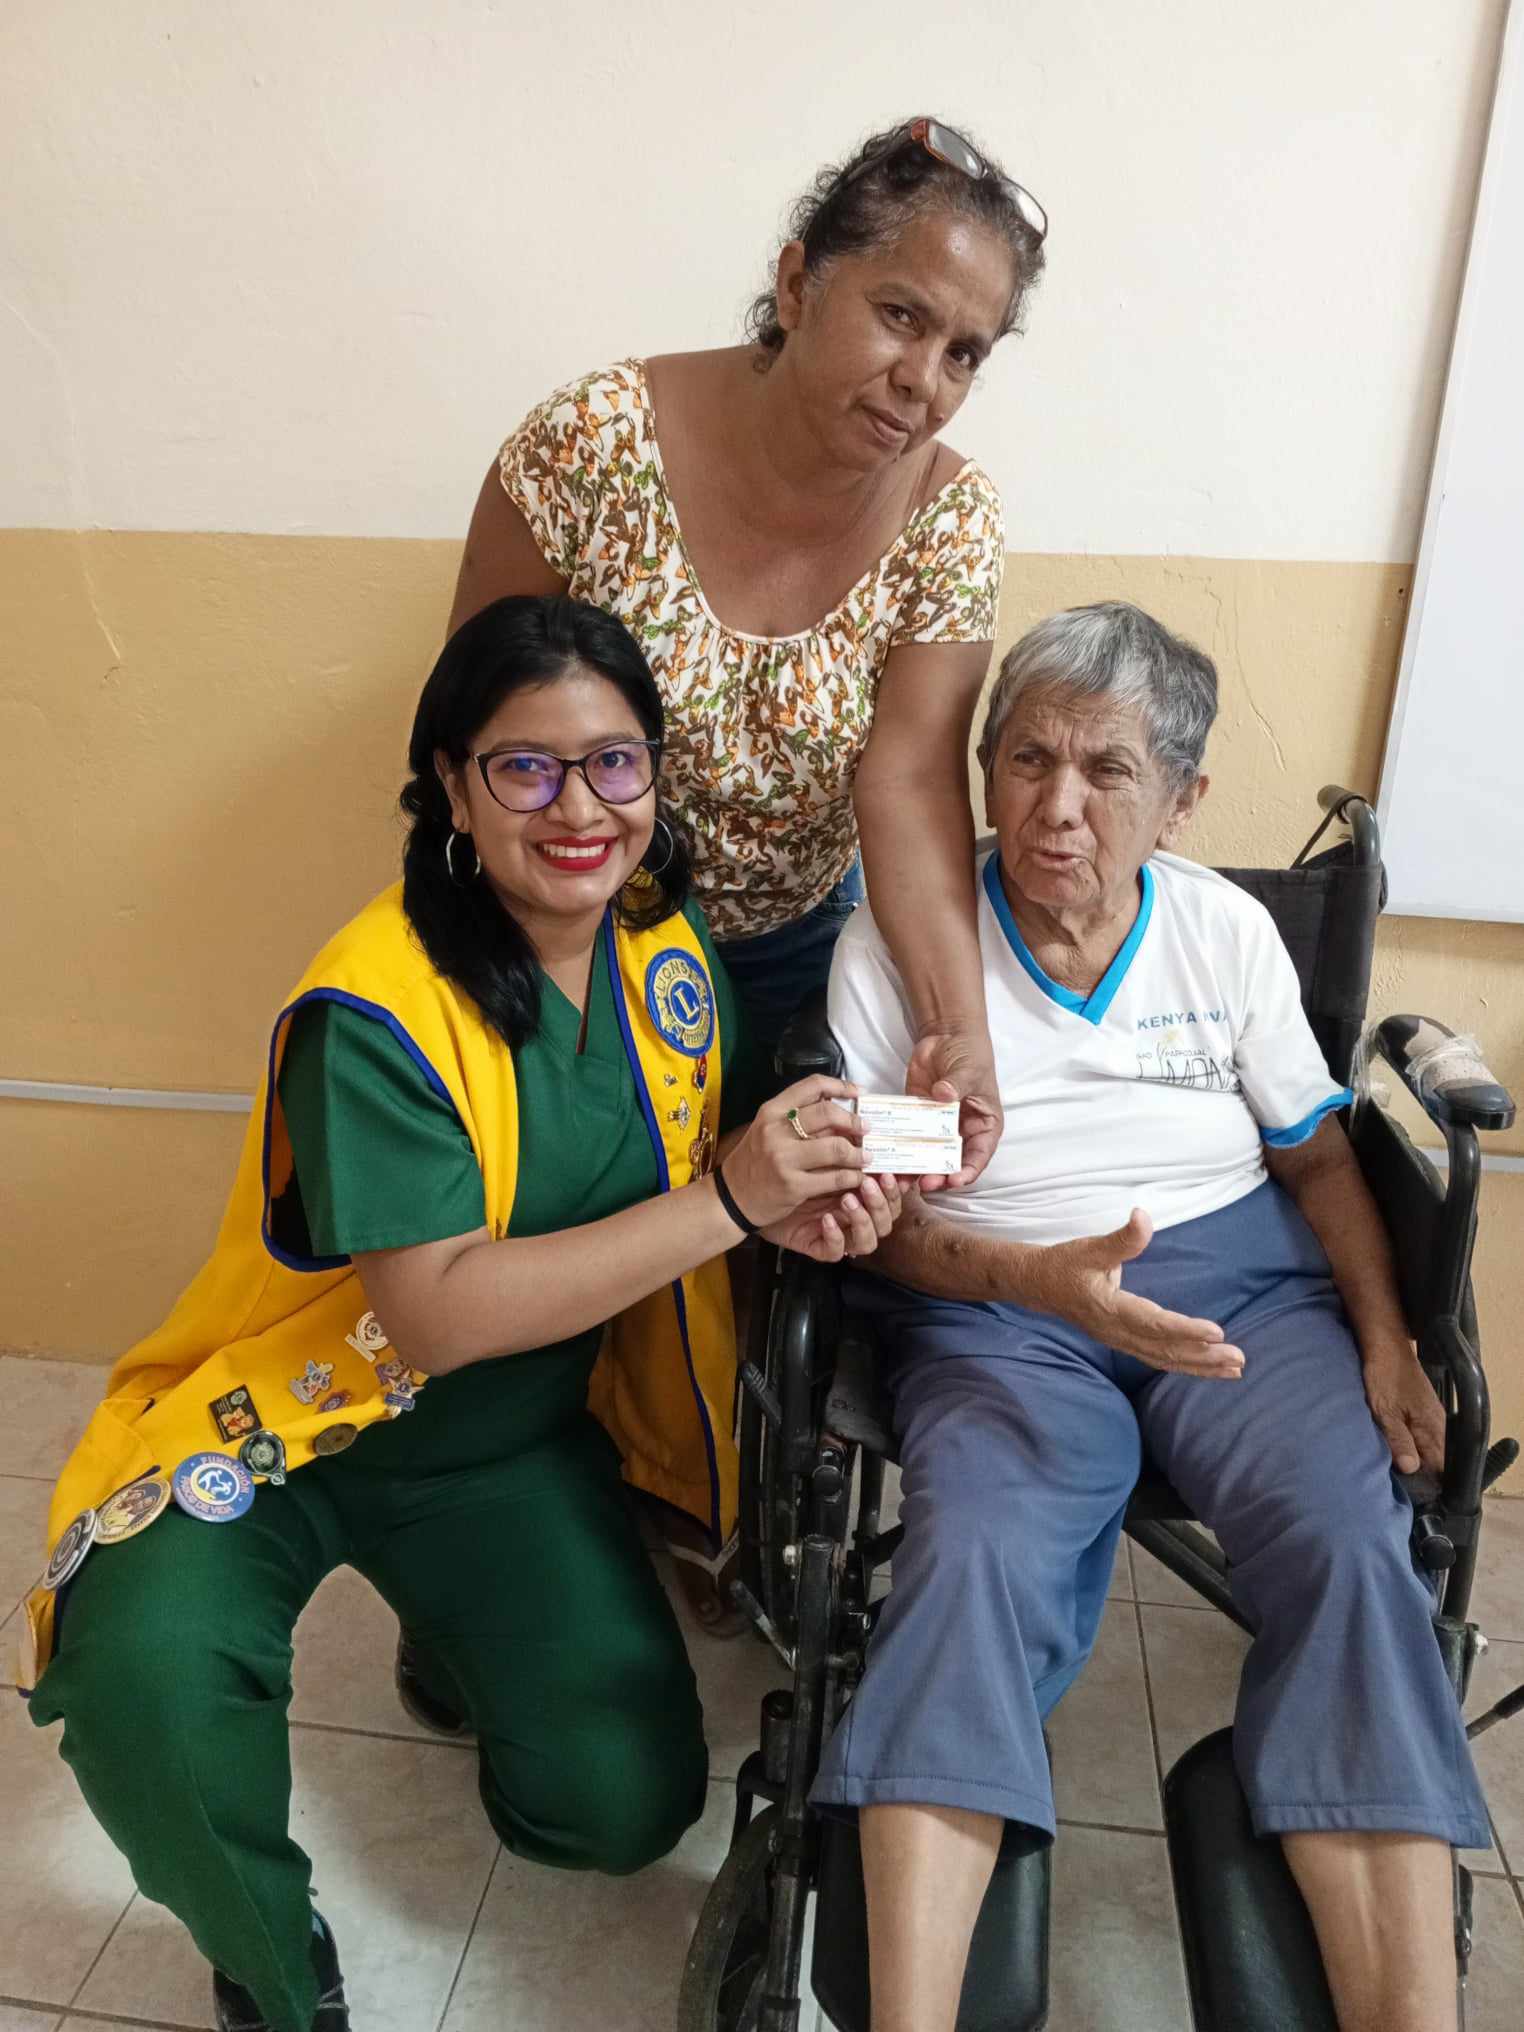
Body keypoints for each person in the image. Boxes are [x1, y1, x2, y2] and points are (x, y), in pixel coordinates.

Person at [21, 596, 902, 2032]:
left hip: (502, 1445)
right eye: (526, 767)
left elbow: (709, 1162)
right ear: (451, 784)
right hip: (289, 1424)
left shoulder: (666, 954)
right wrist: (731, 1203)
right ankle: (264, 1954)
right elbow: (432, 1317)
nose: (582, 809)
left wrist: (799, 1191)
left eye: (615, 762)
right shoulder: (371, 1004)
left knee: (624, 1806)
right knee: (142, 1688)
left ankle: (450, 1635)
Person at [812, 602, 1488, 2032]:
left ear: (1181, 799)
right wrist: (1032, 1281)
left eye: (1107, 770)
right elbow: (895, 1224)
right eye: (1027, 759)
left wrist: (1384, 1339)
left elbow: (1317, 1159)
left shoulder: (1221, 930)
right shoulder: (904, 940)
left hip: (1240, 1291)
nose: (1057, 807)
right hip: (998, 1300)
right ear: (983, 771)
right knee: (972, 1557)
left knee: (1353, 1547)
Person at [449, 115, 1049, 1170]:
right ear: (798, 284)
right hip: (564, 933)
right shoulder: (593, 446)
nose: (923, 378)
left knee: (790, 1221)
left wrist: (958, 1035)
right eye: (900, 315)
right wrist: (514, 964)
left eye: (964, 353)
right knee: (572, 1221)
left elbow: (910, 783)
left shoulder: (951, 521)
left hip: (792, 953)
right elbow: (473, 734)